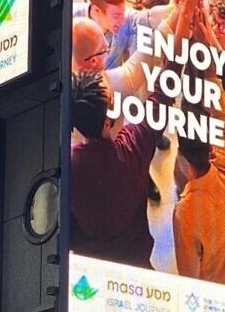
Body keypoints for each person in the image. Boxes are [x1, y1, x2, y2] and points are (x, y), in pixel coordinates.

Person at [69, 70, 172, 267]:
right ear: (107, 124)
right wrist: (175, 57)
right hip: (137, 264)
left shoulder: (66, 167)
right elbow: (161, 99)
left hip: (90, 271)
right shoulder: (132, 149)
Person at [173, 121, 225, 283]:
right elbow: (223, 141)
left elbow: (189, 275)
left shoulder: (185, 213)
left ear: (182, 157)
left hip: (212, 286)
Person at [73, 0, 170, 70]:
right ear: (96, 11)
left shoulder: (126, 21)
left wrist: (175, 8)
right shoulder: (70, 20)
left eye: (123, 12)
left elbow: (148, 18)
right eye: (116, 15)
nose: (122, 20)